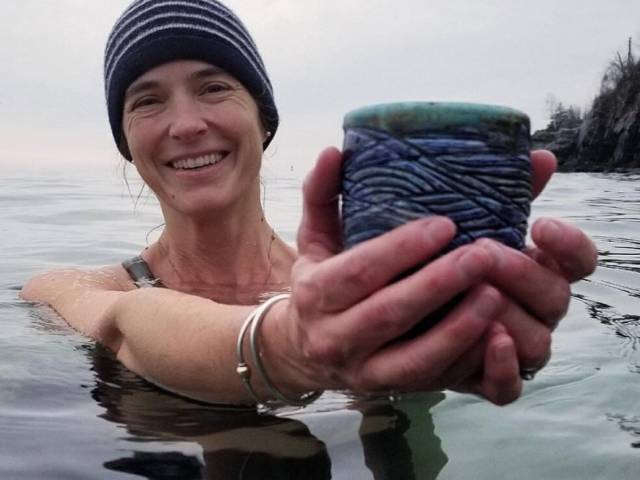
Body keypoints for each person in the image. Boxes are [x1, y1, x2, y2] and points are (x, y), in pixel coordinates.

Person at [21, 0, 597, 408]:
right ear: (126, 142)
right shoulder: (71, 291)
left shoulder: (355, 297)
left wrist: (456, 332)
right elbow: (127, 325)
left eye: (214, 87)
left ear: (263, 120)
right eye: (147, 101)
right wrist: (292, 348)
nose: (187, 124)